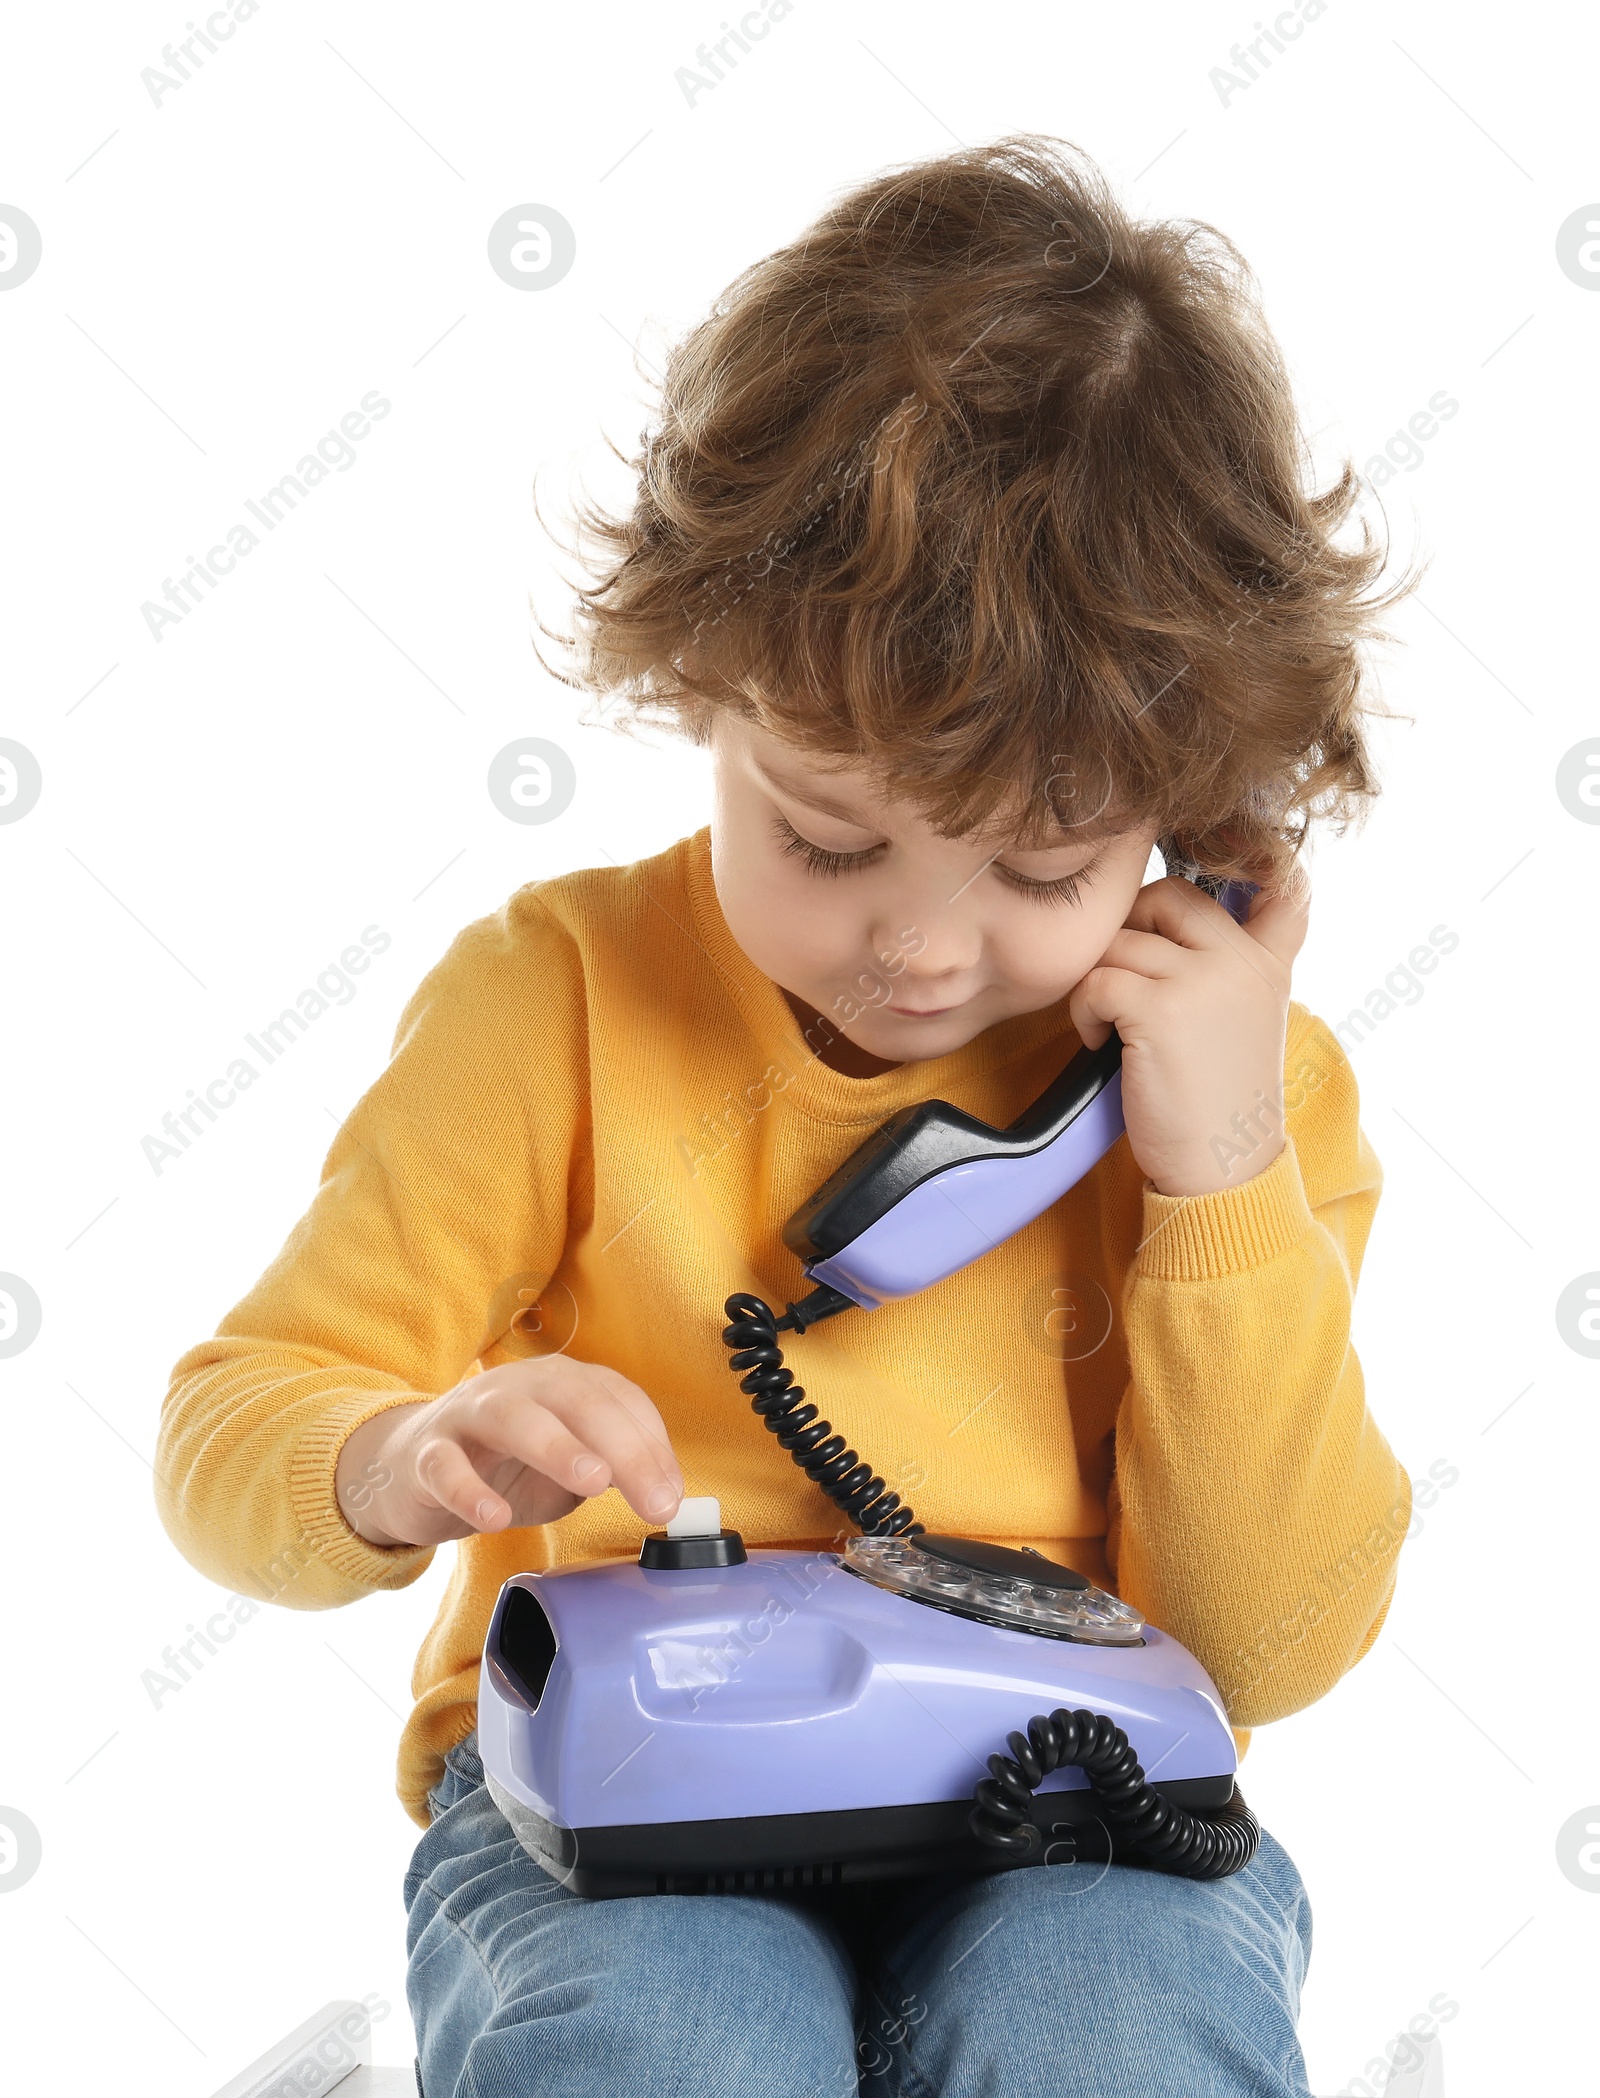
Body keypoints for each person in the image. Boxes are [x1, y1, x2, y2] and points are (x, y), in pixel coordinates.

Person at [155, 133, 1419, 2096]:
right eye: (823, 837)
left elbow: (1262, 1648)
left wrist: (1214, 1177)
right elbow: (233, 1425)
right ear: (703, 684)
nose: (919, 953)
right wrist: (394, 1452)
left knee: (1114, 2036)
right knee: (682, 2047)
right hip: (634, 1801)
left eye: (1042, 866)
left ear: (1199, 823)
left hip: (1068, 1803)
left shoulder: (1234, 1098)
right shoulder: (551, 1000)